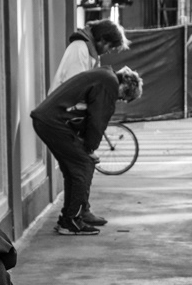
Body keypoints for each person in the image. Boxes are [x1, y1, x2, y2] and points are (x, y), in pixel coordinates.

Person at [32, 65, 144, 236]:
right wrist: (90, 148)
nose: (118, 100)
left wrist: (88, 147)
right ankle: (71, 221)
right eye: (122, 98)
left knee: (74, 169)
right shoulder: (109, 84)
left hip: (49, 120)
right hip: (53, 123)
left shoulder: (104, 75)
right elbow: (98, 120)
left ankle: (73, 216)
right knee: (83, 165)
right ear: (125, 88)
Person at [49, 18, 130, 227]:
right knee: (82, 164)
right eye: (109, 46)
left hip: (69, 115)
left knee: (80, 166)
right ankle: (73, 217)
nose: (107, 51)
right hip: (64, 116)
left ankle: (80, 211)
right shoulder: (80, 50)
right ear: (102, 39)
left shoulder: (89, 51)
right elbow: (75, 86)